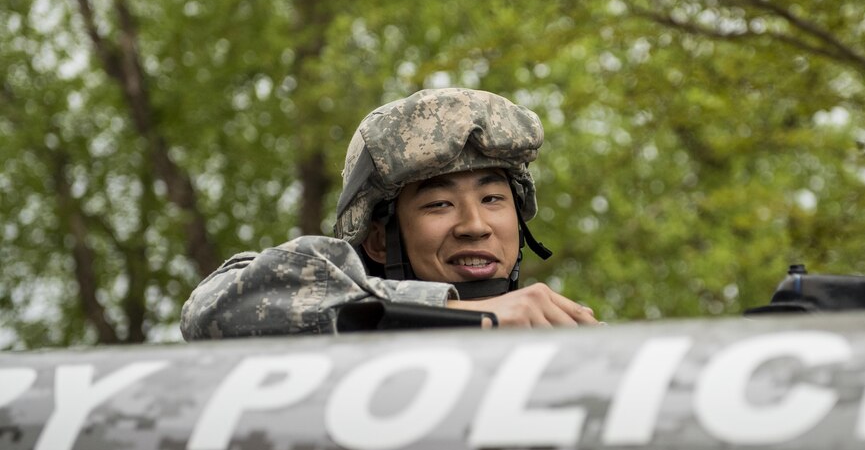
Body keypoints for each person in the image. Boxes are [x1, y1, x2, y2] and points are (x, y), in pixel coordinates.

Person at [181, 88, 598, 340]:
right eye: (439, 204)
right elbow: (212, 308)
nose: (475, 226)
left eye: (492, 199)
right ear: (380, 239)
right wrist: (456, 316)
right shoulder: (345, 340)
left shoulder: (562, 338)